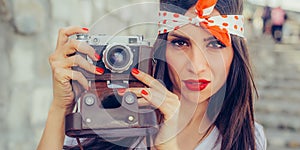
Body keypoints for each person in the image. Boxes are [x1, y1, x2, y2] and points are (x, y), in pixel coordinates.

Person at [37, 0, 267, 149]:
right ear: (160, 49)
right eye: (180, 43)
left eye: (215, 44)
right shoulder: (112, 116)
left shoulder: (246, 138)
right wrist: (60, 107)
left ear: (235, 54)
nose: (196, 66)